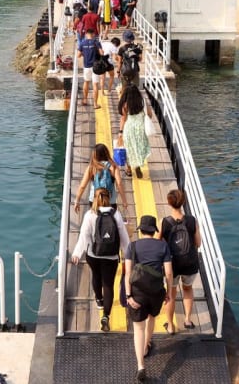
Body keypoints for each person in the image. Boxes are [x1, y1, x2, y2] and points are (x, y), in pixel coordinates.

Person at [71, 187, 130, 332]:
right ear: (109, 198)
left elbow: (84, 236)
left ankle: (99, 300)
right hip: (111, 256)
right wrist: (128, 254)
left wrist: (77, 253)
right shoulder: (116, 215)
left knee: (96, 277)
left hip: (93, 255)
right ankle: (106, 317)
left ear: (94, 198)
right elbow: (123, 237)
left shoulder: (90, 215)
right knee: (108, 285)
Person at [124, 215, 173, 383]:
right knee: (152, 317)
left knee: (138, 329)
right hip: (156, 292)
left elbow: (128, 273)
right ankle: (147, 345)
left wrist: (128, 295)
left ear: (141, 230)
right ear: (154, 231)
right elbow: (168, 273)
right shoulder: (163, 246)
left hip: (137, 293)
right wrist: (167, 293)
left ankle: (141, 366)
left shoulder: (133, 246)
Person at [160, 188, 202, 333]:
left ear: (169, 202)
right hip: (190, 263)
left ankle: (170, 325)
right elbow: (198, 243)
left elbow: (157, 243)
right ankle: (188, 320)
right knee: (187, 289)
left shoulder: (164, 222)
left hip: (172, 264)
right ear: (183, 202)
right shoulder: (191, 220)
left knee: (171, 293)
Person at [73, 142, 129, 213]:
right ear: (107, 153)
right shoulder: (114, 167)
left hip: (95, 201)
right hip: (110, 201)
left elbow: (82, 186)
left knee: (96, 221)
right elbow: (119, 184)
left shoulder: (91, 167)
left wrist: (77, 201)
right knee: (110, 221)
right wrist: (124, 201)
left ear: (94, 155)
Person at [117, 84, 152, 179]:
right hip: (140, 129)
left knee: (129, 149)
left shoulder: (125, 105)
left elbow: (123, 119)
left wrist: (120, 132)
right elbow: (150, 114)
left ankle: (128, 169)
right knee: (139, 148)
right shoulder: (142, 102)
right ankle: (137, 165)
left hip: (129, 129)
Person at [77, 27, 103, 107]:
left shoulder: (82, 43)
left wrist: (84, 53)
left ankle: (85, 100)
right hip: (95, 66)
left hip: (86, 65)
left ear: (86, 34)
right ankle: (95, 104)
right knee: (95, 85)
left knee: (86, 82)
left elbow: (78, 55)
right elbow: (102, 53)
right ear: (93, 34)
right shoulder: (96, 42)